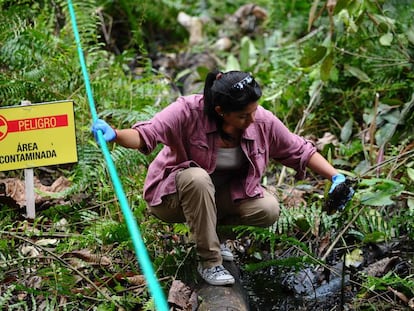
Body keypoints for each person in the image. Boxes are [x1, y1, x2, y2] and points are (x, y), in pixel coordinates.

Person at [91, 70, 354, 286]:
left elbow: (299, 149)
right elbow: (148, 133)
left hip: (219, 198)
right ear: (220, 111)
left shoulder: (259, 120)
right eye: (243, 116)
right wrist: (114, 133)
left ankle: (213, 237)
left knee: (268, 209)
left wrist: (335, 177)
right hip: (172, 198)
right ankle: (210, 263)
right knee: (197, 178)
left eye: (254, 111)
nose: (252, 119)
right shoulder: (187, 111)